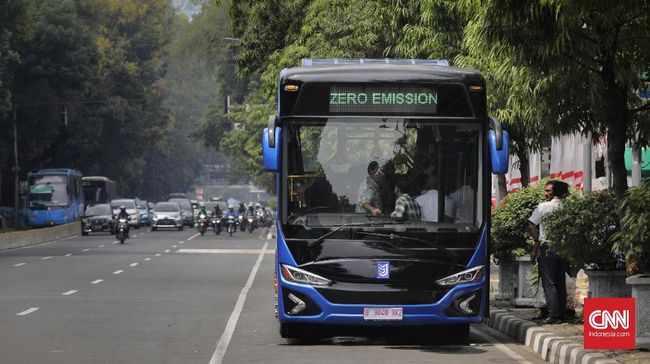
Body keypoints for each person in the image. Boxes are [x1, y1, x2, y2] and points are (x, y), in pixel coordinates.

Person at [528, 180, 569, 324]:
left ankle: (553, 315)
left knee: (549, 282)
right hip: (564, 248)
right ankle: (561, 314)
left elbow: (532, 225)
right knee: (560, 282)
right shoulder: (568, 207)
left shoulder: (543, 207)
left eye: (548, 191)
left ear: (555, 192)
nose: (545, 194)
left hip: (548, 248)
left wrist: (537, 240)